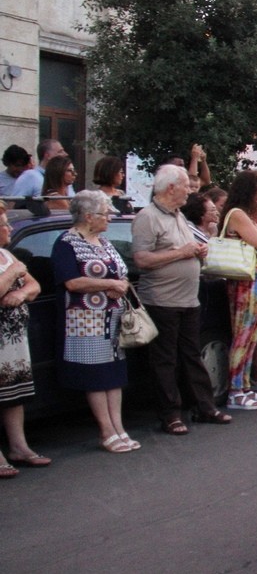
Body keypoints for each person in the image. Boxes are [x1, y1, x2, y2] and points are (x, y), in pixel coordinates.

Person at [132, 165, 232, 434]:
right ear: (170, 188)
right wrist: (182, 253)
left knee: (192, 355)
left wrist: (198, 252)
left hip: (188, 299)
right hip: (161, 299)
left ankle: (205, 406)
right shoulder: (148, 217)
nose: (190, 190)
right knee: (165, 359)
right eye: (186, 185)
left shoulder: (179, 216)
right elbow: (141, 259)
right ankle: (170, 415)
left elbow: (186, 249)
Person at [52, 191, 138, 452]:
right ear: (88, 216)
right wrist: (109, 285)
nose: (109, 218)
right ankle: (106, 431)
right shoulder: (67, 243)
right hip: (84, 321)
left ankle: (119, 428)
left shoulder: (104, 241)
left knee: (114, 375)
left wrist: (120, 284)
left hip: (112, 319)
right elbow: (71, 282)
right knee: (96, 376)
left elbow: (121, 272)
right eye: (105, 214)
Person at [0, 201, 49, 478]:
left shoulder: (7, 255)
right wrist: (13, 273)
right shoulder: (12, 264)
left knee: (13, 394)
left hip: (14, 340)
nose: (8, 228)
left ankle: (19, 446)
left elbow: (34, 285)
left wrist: (20, 293)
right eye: (4, 224)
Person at [222, 170, 257, 411]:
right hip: (246, 280)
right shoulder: (237, 214)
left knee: (252, 334)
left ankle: (243, 385)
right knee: (243, 333)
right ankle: (234, 390)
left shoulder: (245, 214)